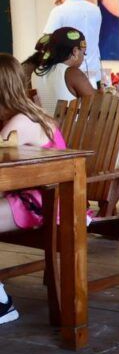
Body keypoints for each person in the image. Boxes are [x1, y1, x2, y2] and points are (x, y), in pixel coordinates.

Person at [0, 53, 71, 325]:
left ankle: (2, 303)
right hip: (40, 198)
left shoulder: (20, 123)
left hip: (45, 203)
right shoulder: (28, 114)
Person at [43, 0, 102, 86]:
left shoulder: (58, 11)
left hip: (70, 75)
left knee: (73, 103)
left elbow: (47, 40)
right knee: (94, 102)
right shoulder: (95, 9)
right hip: (94, 72)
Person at [31, 27, 95, 116]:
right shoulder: (72, 73)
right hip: (70, 129)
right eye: (83, 53)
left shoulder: (36, 72)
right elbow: (97, 103)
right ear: (75, 51)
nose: (83, 58)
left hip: (48, 128)